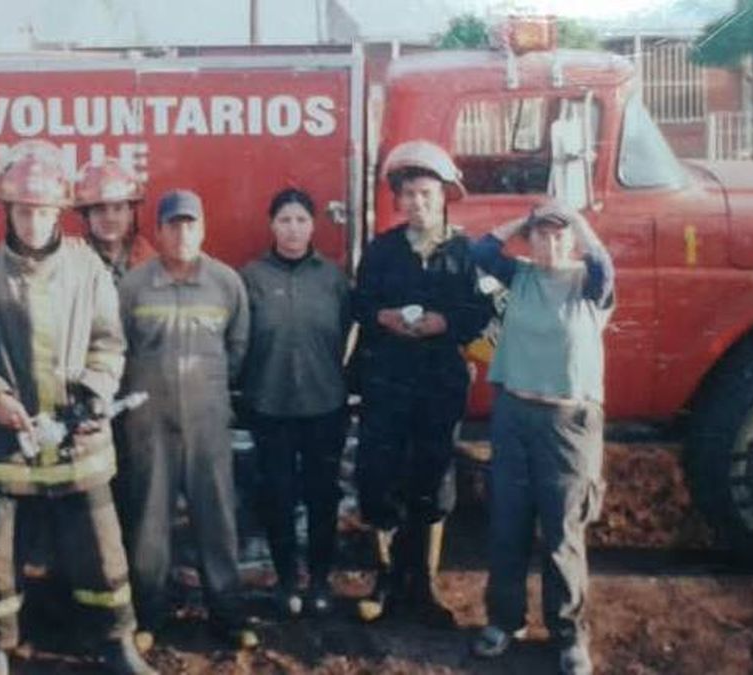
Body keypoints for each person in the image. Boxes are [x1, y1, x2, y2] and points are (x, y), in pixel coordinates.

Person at [0, 141, 155, 675]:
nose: (34, 222)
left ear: (59, 212)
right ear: (8, 211)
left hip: (78, 437)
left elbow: (110, 343)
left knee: (101, 547)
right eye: (24, 211)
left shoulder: (88, 270)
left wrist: (93, 391)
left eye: (43, 211)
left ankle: (117, 641)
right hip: (5, 442)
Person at [469, 202, 614, 675]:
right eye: (541, 236)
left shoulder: (590, 285)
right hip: (514, 415)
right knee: (507, 526)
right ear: (529, 240)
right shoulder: (522, 276)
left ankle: (569, 637)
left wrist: (577, 220)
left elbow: (604, 264)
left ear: (571, 240)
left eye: (558, 236)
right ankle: (504, 622)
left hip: (567, 424)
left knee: (562, 534)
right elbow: (481, 251)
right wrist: (526, 218)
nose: (550, 245)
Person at [353, 140, 493, 627]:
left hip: (439, 382)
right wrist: (384, 316)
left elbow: (480, 314)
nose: (417, 202)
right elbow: (360, 304)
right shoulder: (382, 250)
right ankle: (386, 577)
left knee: (435, 480)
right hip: (387, 378)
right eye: (409, 194)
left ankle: (426, 585)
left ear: (444, 196)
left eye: (426, 193)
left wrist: (444, 324)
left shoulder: (466, 252)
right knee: (380, 476)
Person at [118, 189, 256, 651]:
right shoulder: (134, 286)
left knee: (217, 517)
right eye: (173, 225)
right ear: (157, 232)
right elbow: (119, 349)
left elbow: (238, 348)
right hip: (148, 423)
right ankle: (148, 616)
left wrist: (208, 393)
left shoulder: (226, 283)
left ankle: (229, 615)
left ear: (204, 228)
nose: (182, 233)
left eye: (190, 224)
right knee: (148, 523)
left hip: (207, 419)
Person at [239, 188, 350, 618]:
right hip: (270, 407)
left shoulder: (333, 277)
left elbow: (344, 329)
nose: (293, 229)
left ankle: (320, 581)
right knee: (278, 498)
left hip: (325, 405)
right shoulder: (250, 277)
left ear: (313, 225)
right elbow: (241, 339)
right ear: (272, 226)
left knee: (323, 497)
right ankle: (287, 581)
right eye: (284, 220)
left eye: (301, 220)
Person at [74, 158, 157, 281]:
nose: (109, 218)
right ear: (87, 216)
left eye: (118, 208)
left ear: (130, 214)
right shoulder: (72, 262)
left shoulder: (150, 263)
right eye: (100, 209)